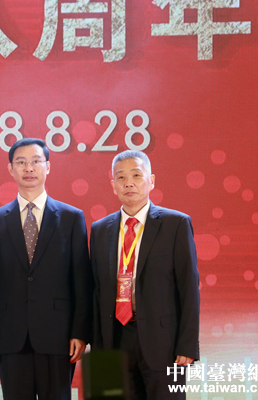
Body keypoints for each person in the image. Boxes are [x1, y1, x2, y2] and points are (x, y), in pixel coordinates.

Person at [0, 138, 93, 400]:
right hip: (10, 335)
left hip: (58, 336)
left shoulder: (71, 218)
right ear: (11, 169)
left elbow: (81, 282)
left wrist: (79, 332)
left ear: (48, 166)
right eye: (21, 162)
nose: (28, 168)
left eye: (35, 161)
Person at [90, 150, 200, 399]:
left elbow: (188, 288)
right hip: (115, 340)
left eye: (136, 175)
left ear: (151, 181)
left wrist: (187, 345)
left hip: (165, 343)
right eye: (121, 177)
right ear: (113, 185)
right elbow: (96, 292)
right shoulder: (100, 230)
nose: (128, 183)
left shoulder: (175, 224)